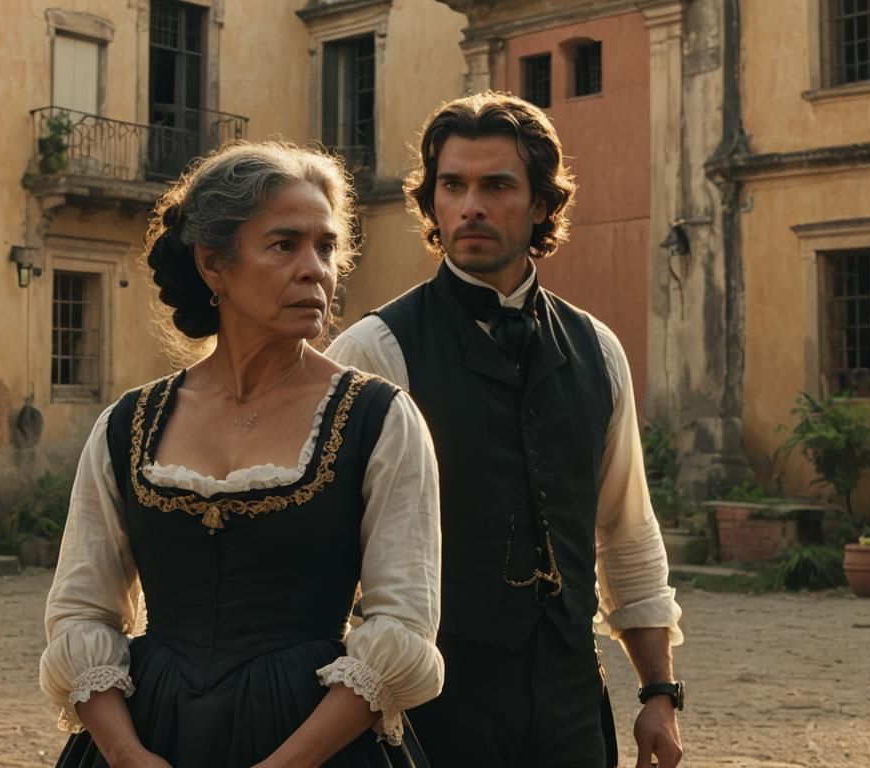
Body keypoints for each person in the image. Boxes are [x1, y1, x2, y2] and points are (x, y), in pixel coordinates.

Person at [40, 142, 444, 768]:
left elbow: (403, 627)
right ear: (213, 264)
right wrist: (125, 754)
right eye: (285, 245)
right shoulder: (128, 424)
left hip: (316, 743)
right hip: (149, 739)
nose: (315, 270)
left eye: (326, 246)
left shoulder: (379, 419)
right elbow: (80, 612)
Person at [326, 92, 685, 768]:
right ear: (431, 202)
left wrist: (659, 690)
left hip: (572, 700)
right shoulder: (374, 352)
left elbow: (628, 530)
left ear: (544, 203)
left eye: (496, 185)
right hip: (430, 706)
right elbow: (322, 559)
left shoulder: (598, 350)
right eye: (452, 185)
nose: (471, 207)